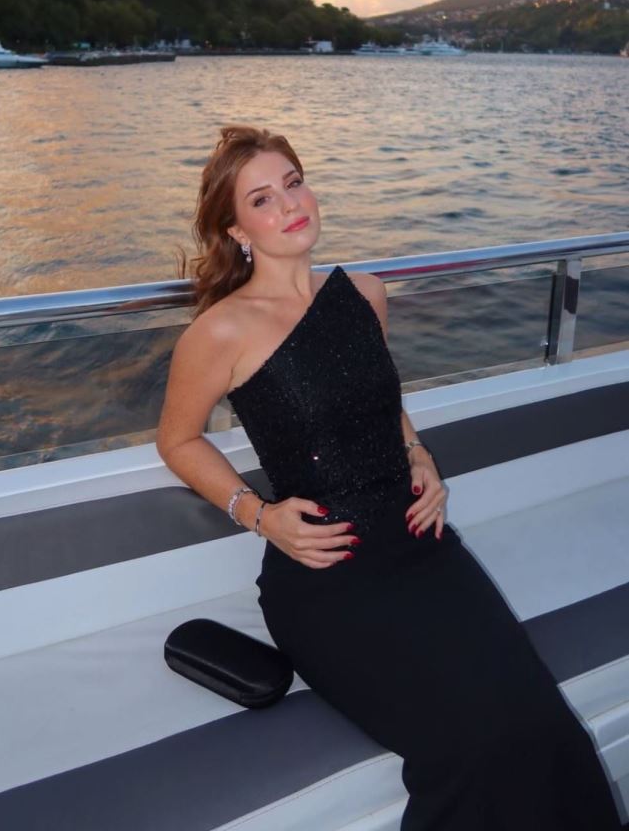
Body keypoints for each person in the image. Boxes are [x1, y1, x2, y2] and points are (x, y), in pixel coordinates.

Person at [157, 124, 622, 831]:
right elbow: (177, 439)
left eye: (293, 183)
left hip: (419, 543)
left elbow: (377, 398)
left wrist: (418, 452)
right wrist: (259, 514)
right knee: (468, 751)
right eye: (262, 198)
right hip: (327, 575)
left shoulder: (365, 295)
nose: (290, 204)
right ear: (237, 230)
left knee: (541, 722)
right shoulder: (222, 331)